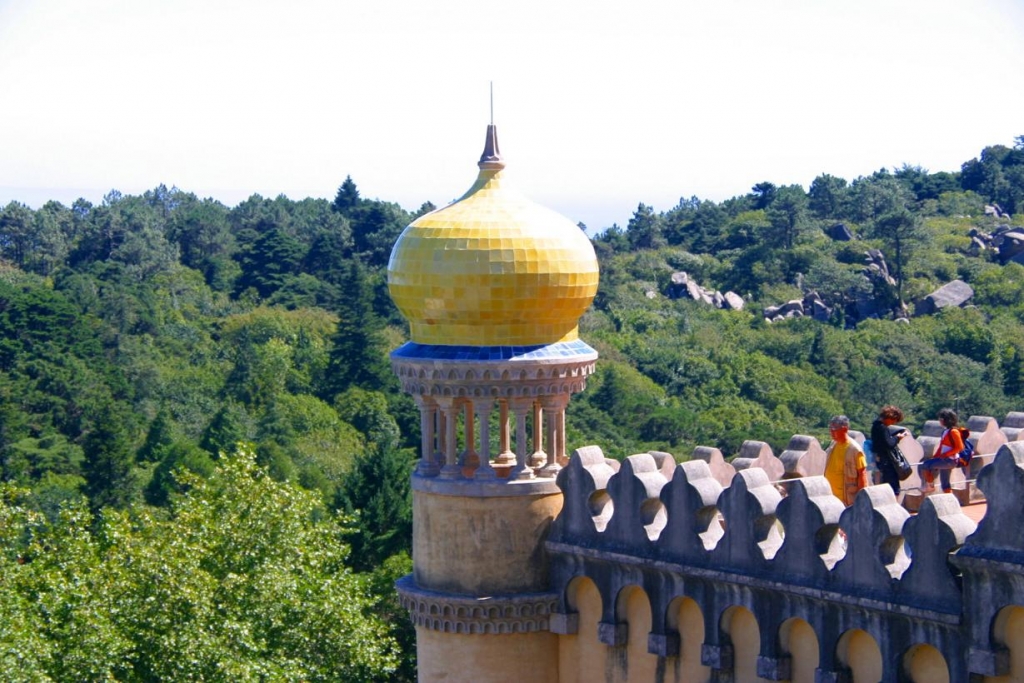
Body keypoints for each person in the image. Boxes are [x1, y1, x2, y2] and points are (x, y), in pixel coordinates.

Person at [824, 415, 868, 505]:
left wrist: (862, 499)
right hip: (831, 497)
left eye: (834, 429)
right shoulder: (833, 445)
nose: (831, 432)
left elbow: (862, 474)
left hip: (847, 499)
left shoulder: (855, 450)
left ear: (844, 429)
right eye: (830, 429)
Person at [919, 408, 964, 494]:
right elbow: (941, 446)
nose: (939, 420)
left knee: (925, 465)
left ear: (944, 420)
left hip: (950, 460)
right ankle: (949, 500)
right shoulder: (945, 431)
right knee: (945, 483)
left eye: (940, 418)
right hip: (946, 460)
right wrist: (936, 457)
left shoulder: (954, 431)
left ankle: (930, 486)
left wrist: (946, 454)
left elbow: (960, 447)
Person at [870, 405, 909, 495]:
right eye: (894, 420)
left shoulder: (876, 425)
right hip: (886, 461)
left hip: (879, 460)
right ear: (890, 417)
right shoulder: (882, 428)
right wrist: (898, 438)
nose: (893, 423)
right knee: (894, 487)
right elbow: (889, 444)